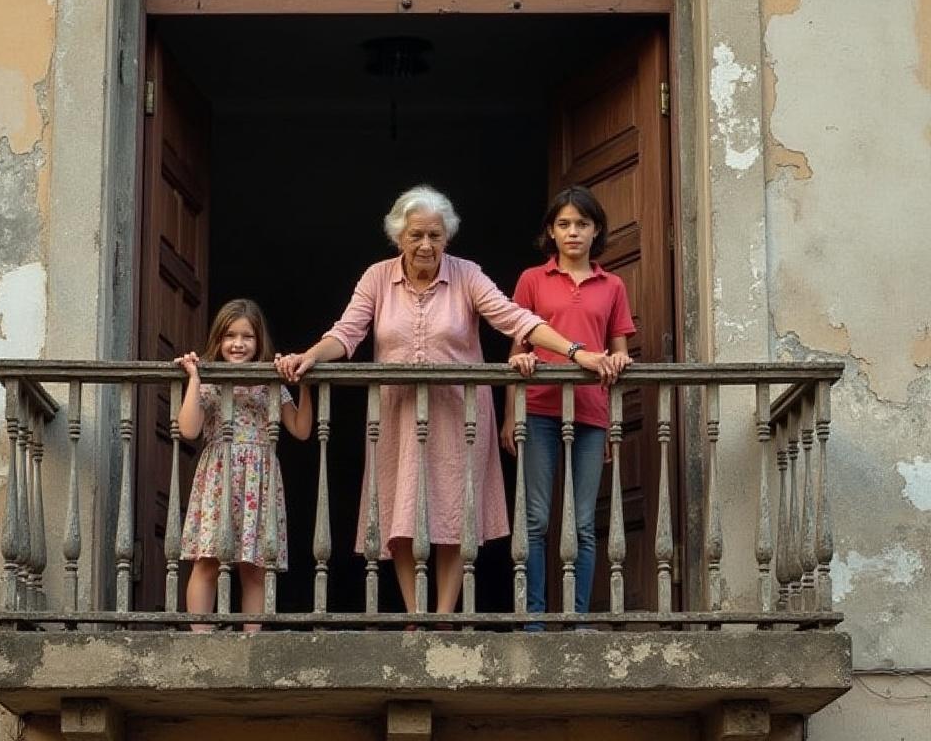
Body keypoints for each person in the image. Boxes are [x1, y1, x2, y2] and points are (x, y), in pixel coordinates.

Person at [276, 184, 622, 617]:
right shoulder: (378, 277)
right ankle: (414, 615)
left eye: (435, 236)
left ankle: (441, 615)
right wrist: (310, 356)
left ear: (447, 237)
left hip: (461, 417)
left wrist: (575, 352)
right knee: (401, 518)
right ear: (398, 236)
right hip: (398, 416)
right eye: (416, 235)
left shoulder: (467, 274)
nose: (426, 245)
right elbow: (347, 331)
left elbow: (515, 319)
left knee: (455, 516)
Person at [501, 185, 635, 626]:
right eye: (564, 224)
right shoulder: (532, 280)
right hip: (538, 409)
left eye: (581, 224)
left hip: (593, 413)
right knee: (537, 519)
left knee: (582, 524)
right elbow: (516, 350)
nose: (573, 232)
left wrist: (617, 370)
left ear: (596, 230)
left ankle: (577, 620)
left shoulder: (612, 284)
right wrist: (509, 416)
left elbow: (619, 353)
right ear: (551, 233)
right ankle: (535, 620)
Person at [175, 298, 312, 631]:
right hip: (219, 473)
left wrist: (304, 380)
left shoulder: (270, 382)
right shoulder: (210, 380)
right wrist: (194, 379)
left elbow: (302, 429)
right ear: (218, 340)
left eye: (247, 336)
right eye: (230, 336)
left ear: (259, 340)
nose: (238, 344)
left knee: (255, 566)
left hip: (259, 476)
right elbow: (189, 429)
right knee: (207, 560)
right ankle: (200, 640)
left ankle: (252, 642)